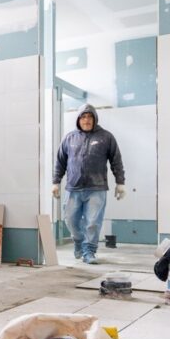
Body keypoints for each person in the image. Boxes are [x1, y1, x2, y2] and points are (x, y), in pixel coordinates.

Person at [52, 104, 125, 264]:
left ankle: (89, 251)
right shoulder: (69, 138)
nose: (87, 120)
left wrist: (120, 182)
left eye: (90, 117)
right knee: (70, 219)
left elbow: (116, 160)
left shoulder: (106, 137)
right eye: (83, 117)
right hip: (73, 187)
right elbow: (60, 162)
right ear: (79, 119)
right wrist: (55, 182)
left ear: (95, 118)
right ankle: (78, 241)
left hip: (96, 188)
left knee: (92, 223)